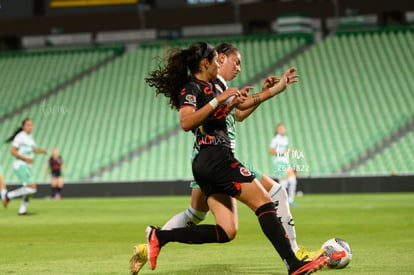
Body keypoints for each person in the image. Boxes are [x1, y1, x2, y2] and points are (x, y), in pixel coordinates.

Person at [133, 42, 328, 275]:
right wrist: (222, 101)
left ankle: (159, 236)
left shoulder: (215, 86)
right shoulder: (193, 88)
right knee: (266, 201)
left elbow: (234, 112)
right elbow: (186, 122)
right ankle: (294, 262)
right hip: (213, 158)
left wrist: (261, 94)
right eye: (219, 60)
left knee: (226, 230)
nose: (235, 67)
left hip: (216, 159)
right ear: (208, 62)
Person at [3, 118, 48, 215]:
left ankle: (22, 210)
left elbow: (34, 150)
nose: (30, 127)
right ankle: (8, 196)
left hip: (27, 166)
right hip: (20, 165)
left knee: (31, 190)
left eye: (31, 125)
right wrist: (25, 158)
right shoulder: (20, 137)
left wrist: (41, 151)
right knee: (32, 188)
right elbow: (12, 151)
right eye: (28, 125)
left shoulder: (30, 137)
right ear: (23, 127)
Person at [269, 123, 298, 205]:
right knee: (283, 182)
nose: (283, 130)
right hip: (278, 162)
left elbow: (286, 151)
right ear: (278, 130)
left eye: (283, 128)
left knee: (293, 180)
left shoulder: (285, 138)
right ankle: (280, 200)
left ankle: (290, 200)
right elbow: (271, 151)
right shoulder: (275, 139)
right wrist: (283, 152)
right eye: (281, 128)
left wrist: (290, 151)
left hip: (286, 162)